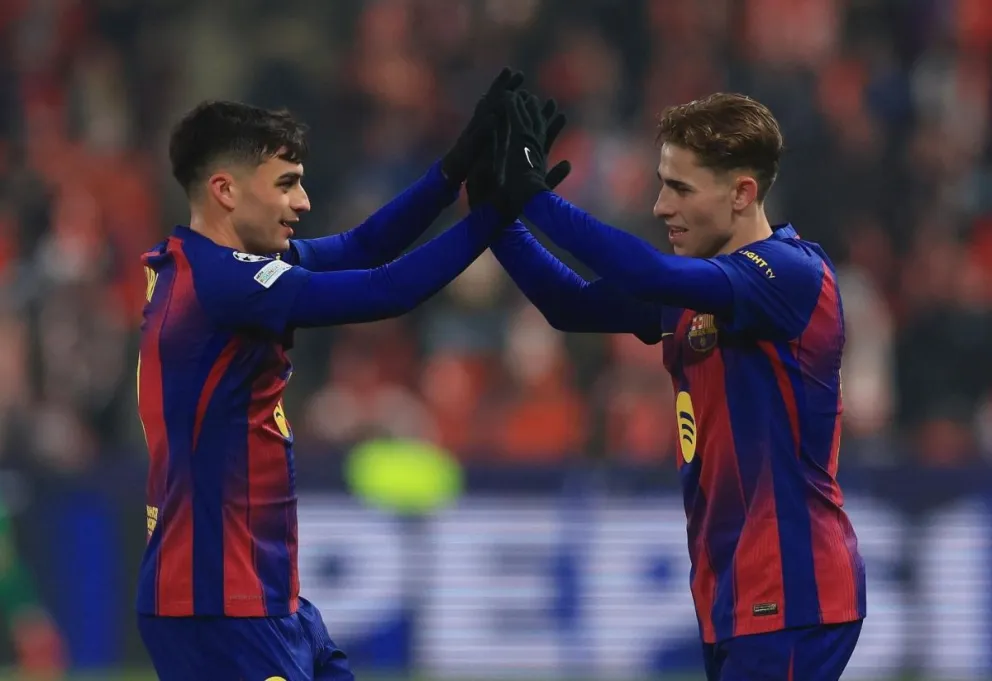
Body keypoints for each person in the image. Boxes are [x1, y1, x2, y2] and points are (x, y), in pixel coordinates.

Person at [134, 69, 521, 681]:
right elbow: (387, 290)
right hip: (215, 606)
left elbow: (364, 246)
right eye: (286, 184)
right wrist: (495, 216)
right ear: (225, 190)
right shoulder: (225, 284)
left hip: (265, 596)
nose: (303, 202)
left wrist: (452, 172)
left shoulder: (208, 266)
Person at [470, 90, 866, 681]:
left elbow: (642, 270)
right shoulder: (695, 286)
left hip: (793, 587)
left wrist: (537, 198)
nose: (659, 206)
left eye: (680, 188)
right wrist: (496, 213)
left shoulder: (791, 274)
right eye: (662, 183)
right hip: (731, 587)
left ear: (741, 193)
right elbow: (568, 305)